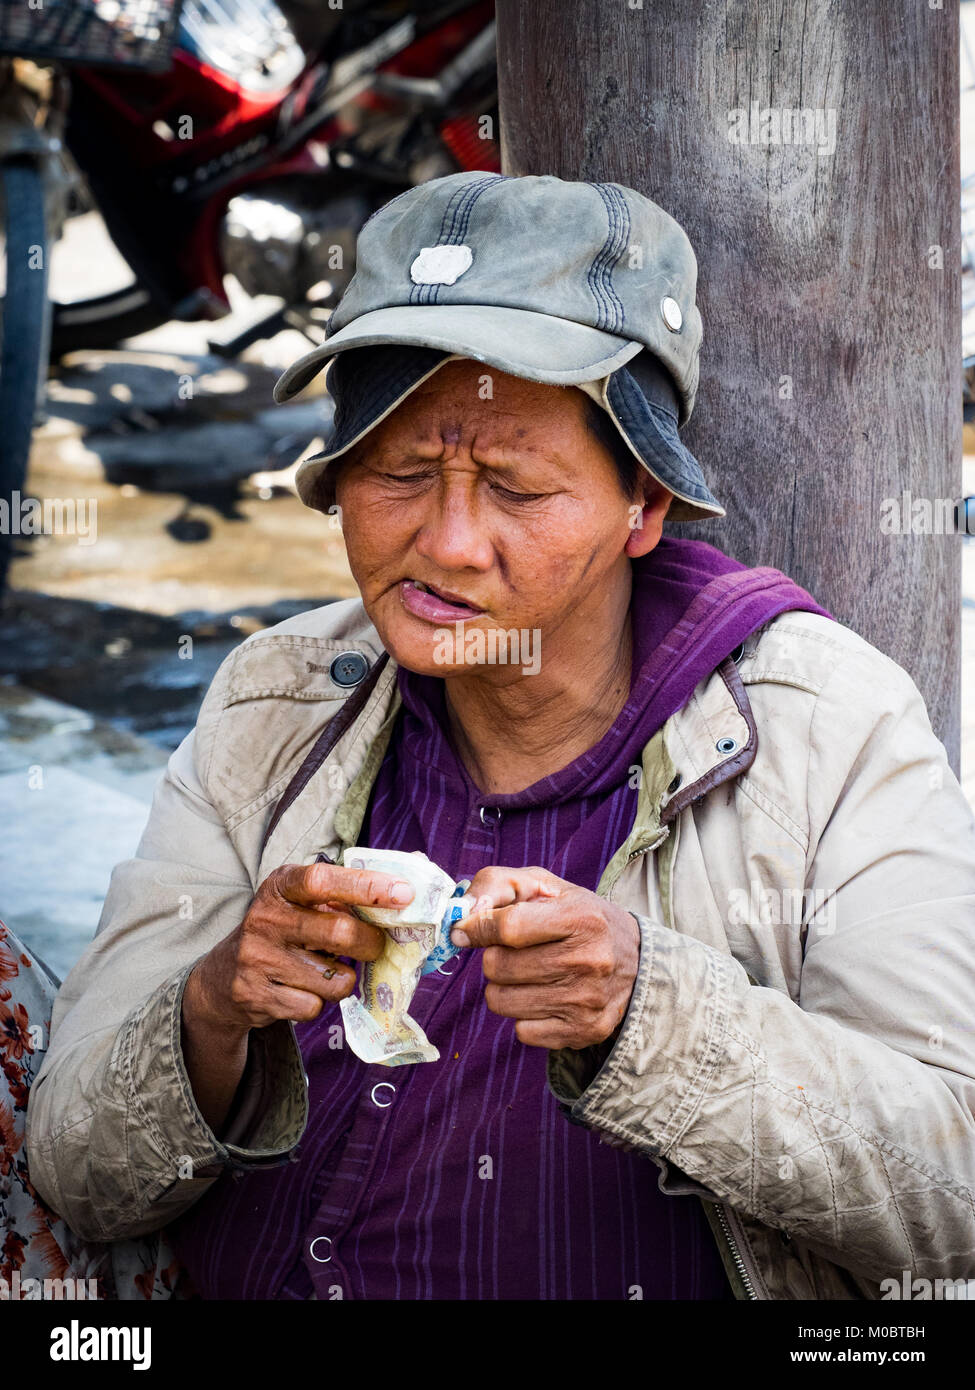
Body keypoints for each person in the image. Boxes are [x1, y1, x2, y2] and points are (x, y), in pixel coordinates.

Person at [21, 172, 975, 1300]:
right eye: (401, 472)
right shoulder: (278, 699)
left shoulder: (824, 727)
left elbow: (949, 1194)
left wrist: (649, 1012)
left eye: (517, 486)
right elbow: (74, 1165)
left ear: (645, 504)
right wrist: (214, 1010)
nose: (450, 542)